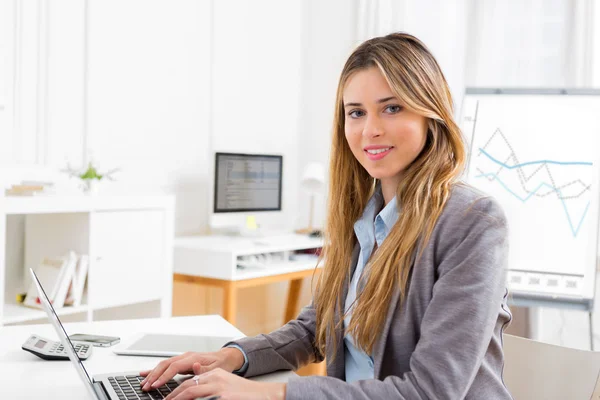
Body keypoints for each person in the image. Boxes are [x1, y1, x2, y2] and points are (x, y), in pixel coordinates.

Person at [139, 32, 512, 400]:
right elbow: (318, 329)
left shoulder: (473, 222)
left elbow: (431, 391)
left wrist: (271, 394)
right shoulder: (364, 216)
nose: (371, 130)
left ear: (431, 113)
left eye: (392, 107)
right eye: (356, 113)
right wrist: (230, 357)